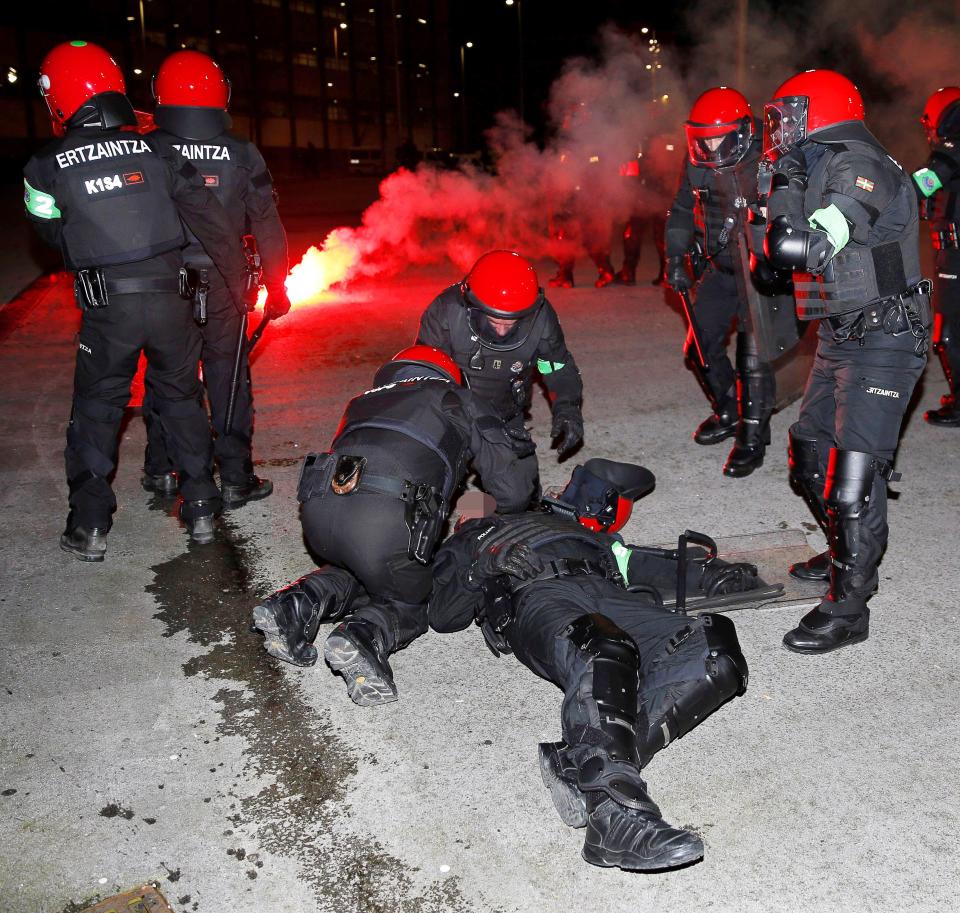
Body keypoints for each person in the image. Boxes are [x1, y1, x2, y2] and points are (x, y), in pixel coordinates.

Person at [427, 459, 762, 872]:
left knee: (714, 654)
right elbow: (442, 614)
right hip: (537, 597)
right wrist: (484, 567)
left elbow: (637, 563)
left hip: (607, 590)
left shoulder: (572, 527)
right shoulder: (469, 538)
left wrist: (711, 577)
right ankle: (612, 817)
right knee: (604, 646)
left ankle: (581, 762)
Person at [23, 40, 251, 559]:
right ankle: (200, 510)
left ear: (57, 98)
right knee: (181, 401)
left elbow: (49, 231)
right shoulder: (158, 150)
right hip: (172, 303)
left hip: (109, 310)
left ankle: (90, 526)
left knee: (97, 411)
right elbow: (211, 224)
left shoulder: (43, 167)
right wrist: (238, 287)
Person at [251, 345, 537, 705]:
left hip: (319, 517)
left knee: (367, 569)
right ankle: (363, 636)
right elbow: (511, 490)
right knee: (412, 599)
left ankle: (295, 604)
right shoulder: (458, 398)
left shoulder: (360, 402)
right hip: (383, 524)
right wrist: (494, 509)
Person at [762, 69, 930, 653]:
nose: (779, 129)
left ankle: (850, 606)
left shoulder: (863, 166)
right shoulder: (818, 165)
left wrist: (780, 199)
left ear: (820, 113)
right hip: (842, 335)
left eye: (787, 117)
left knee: (853, 480)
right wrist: (786, 179)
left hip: (886, 340)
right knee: (809, 453)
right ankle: (843, 553)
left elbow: (806, 247)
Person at [141, 50, 290, 508]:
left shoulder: (147, 148)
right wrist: (277, 284)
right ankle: (235, 476)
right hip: (226, 283)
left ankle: (165, 468)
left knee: (169, 376)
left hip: (165, 283)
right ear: (221, 93)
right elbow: (266, 221)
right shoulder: (243, 152)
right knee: (228, 377)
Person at [664, 87, 776, 477]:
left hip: (758, 270)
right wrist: (676, 256)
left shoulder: (769, 155)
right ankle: (730, 408)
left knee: (753, 357)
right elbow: (680, 207)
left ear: (742, 130)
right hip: (720, 266)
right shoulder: (697, 161)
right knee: (700, 345)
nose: (711, 146)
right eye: (704, 138)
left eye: (719, 137)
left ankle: (753, 435)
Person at [416, 250, 584, 468]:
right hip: (453, 415)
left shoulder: (540, 318)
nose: (503, 332)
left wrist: (567, 408)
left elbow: (553, 367)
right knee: (425, 476)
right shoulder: (447, 311)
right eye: (495, 322)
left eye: (510, 323)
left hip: (506, 415)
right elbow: (426, 376)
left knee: (519, 495)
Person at [912, 86, 960, 426]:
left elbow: (921, 185)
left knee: (948, 335)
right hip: (951, 254)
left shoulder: (950, 151)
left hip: (955, 258)